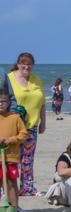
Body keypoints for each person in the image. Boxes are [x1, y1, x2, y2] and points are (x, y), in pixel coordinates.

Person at [6, 54, 45, 199]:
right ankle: (6, 188)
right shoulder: (9, 78)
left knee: (28, 159)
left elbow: (42, 103)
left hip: (31, 125)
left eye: (29, 64)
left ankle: (27, 188)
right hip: (13, 125)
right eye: (23, 63)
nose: (26, 66)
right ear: (18, 64)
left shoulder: (36, 80)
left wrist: (43, 122)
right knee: (10, 158)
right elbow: (3, 100)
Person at [0, 89, 27, 212]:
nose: (1, 104)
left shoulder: (15, 117)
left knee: (11, 182)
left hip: (11, 156)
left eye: (3, 101)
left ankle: (14, 208)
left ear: (8, 103)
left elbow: (23, 134)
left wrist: (10, 140)